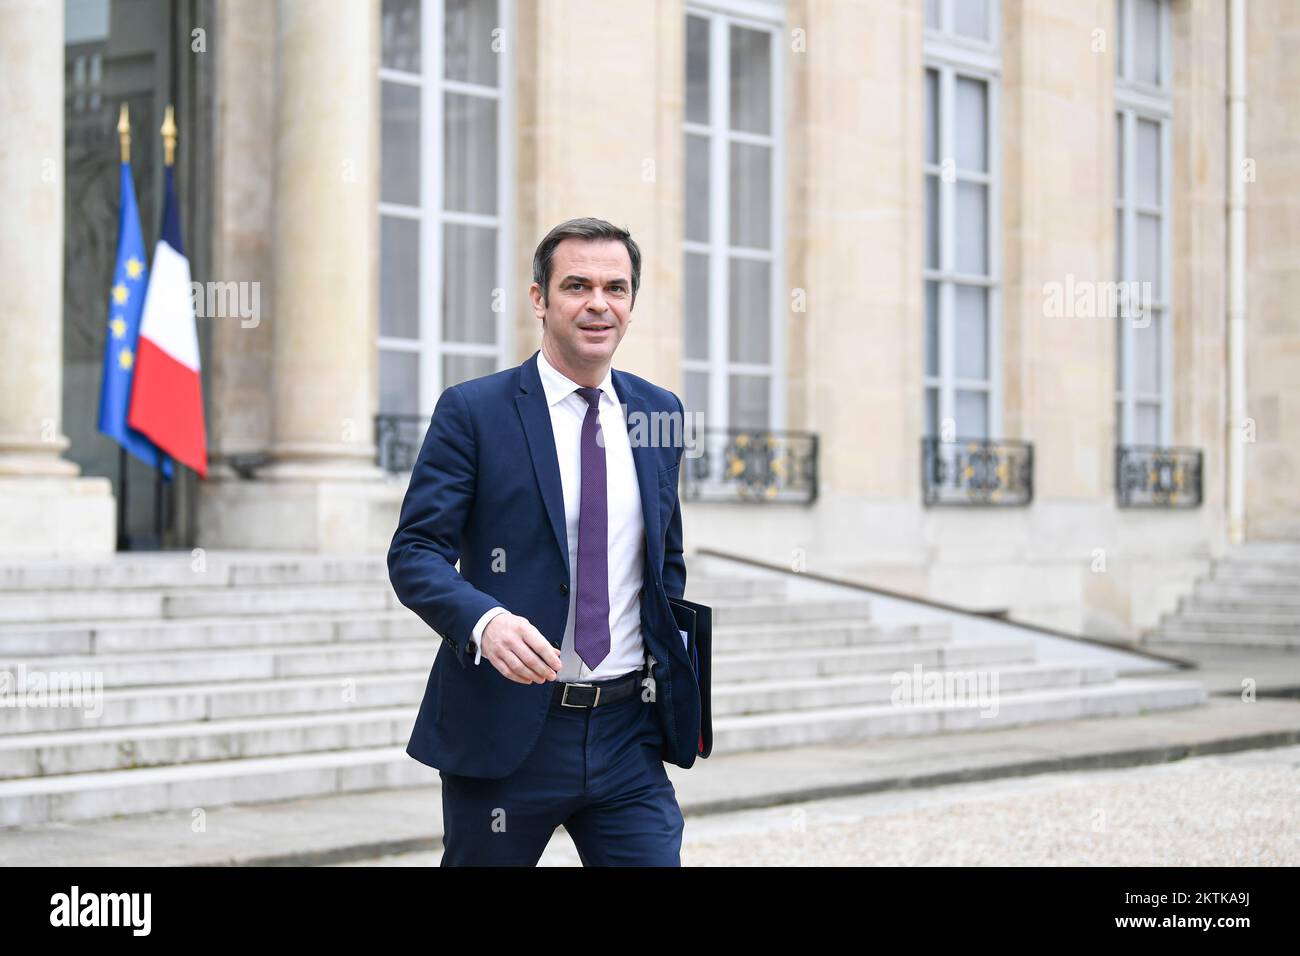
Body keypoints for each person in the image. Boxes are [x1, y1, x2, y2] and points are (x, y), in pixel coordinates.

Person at [388, 217, 702, 866]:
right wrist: (485, 622)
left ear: (632, 303)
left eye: (616, 288)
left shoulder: (658, 413)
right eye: (576, 286)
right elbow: (414, 553)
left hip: (627, 736)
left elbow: (664, 561)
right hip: (507, 733)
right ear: (539, 299)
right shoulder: (474, 412)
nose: (598, 304)